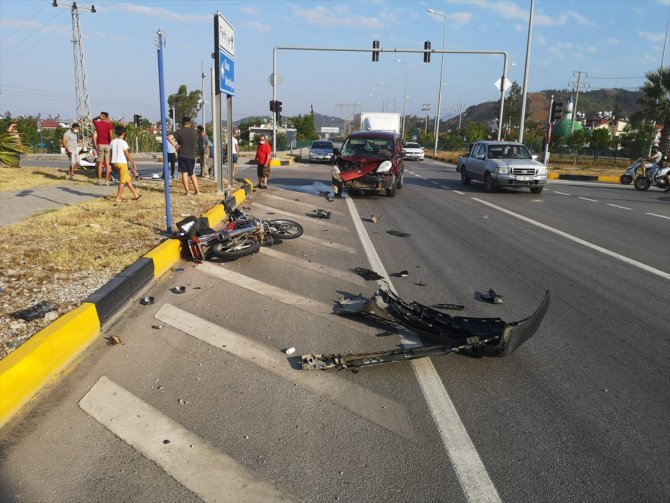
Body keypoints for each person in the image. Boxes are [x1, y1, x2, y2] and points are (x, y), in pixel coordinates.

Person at [168, 117, 200, 196]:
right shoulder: (194, 132)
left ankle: (187, 192)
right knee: (192, 173)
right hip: (192, 155)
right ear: (190, 123)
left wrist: (176, 145)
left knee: (184, 173)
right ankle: (197, 191)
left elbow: (169, 137)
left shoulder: (179, 132)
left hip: (182, 155)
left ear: (182, 123)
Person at [110, 126, 142, 203]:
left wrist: (110, 163)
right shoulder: (123, 142)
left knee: (127, 179)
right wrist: (133, 163)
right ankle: (118, 198)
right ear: (124, 133)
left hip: (115, 163)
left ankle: (136, 194)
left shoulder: (112, 142)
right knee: (122, 182)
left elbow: (111, 153)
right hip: (122, 163)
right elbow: (127, 155)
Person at [93, 112, 115, 185]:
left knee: (100, 163)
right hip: (107, 145)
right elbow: (111, 135)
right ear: (107, 117)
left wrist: (98, 117)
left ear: (102, 116)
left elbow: (93, 119)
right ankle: (107, 181)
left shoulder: (97, 123)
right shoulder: (109, 125)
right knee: (108, 164)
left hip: (100, 145)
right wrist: (112, 144)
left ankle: (99, 180)